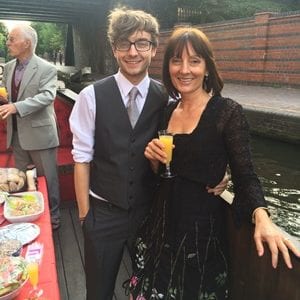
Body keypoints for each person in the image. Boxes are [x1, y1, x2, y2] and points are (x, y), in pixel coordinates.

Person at [125, 27, 300, 300]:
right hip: (161, 227)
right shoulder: (167, 110)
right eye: (176, 60)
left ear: (207, 67)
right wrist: (153, 159)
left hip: (199, 235)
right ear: (168, 66)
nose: (185, 69)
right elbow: (161, 175)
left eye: (194, 61)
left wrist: (262, 216)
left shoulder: (227, 113)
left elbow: (246, 175)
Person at [69, 8, 227, 300]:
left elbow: (195, 145)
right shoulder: (90, 97)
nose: (133, 52)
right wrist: (84, 216)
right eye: (124, 43)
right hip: (103, 213)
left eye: (141, 43)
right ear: (113, 48)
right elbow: (82, 158)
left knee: (149, 288)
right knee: (98, 291)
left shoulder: (168, 100)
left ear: (153, 49)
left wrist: (223, 174)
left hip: (151, 213)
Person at [0, 24, 61, 230]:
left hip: (40, 134)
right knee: (20, 180)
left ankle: (53, 218)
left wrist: (15, 107)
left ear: (27, 43)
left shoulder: (47, 68)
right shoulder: (8, 67)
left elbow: (47, 96)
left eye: (12, 39)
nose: (7, 43)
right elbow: (10, 96)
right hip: (16, 133)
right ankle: (26, 215)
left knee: (47, 179)